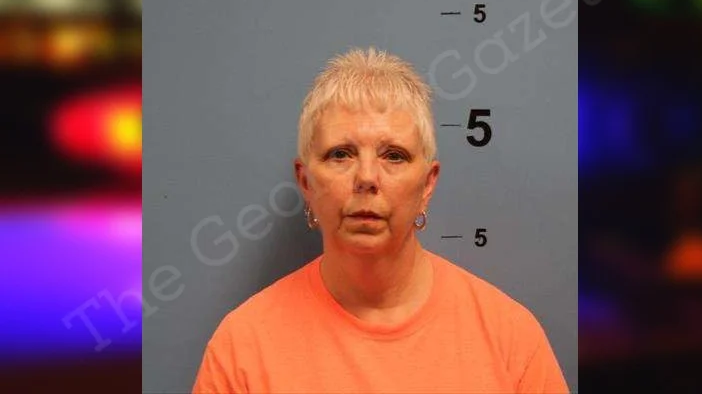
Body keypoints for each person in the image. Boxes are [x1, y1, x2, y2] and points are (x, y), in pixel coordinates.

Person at [192, 46, 569, 393]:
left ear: (427, 184)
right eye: (341, 154)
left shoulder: (511, 342)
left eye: (394, 156)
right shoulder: (242, 350)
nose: (367, 177)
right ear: (306, 183)